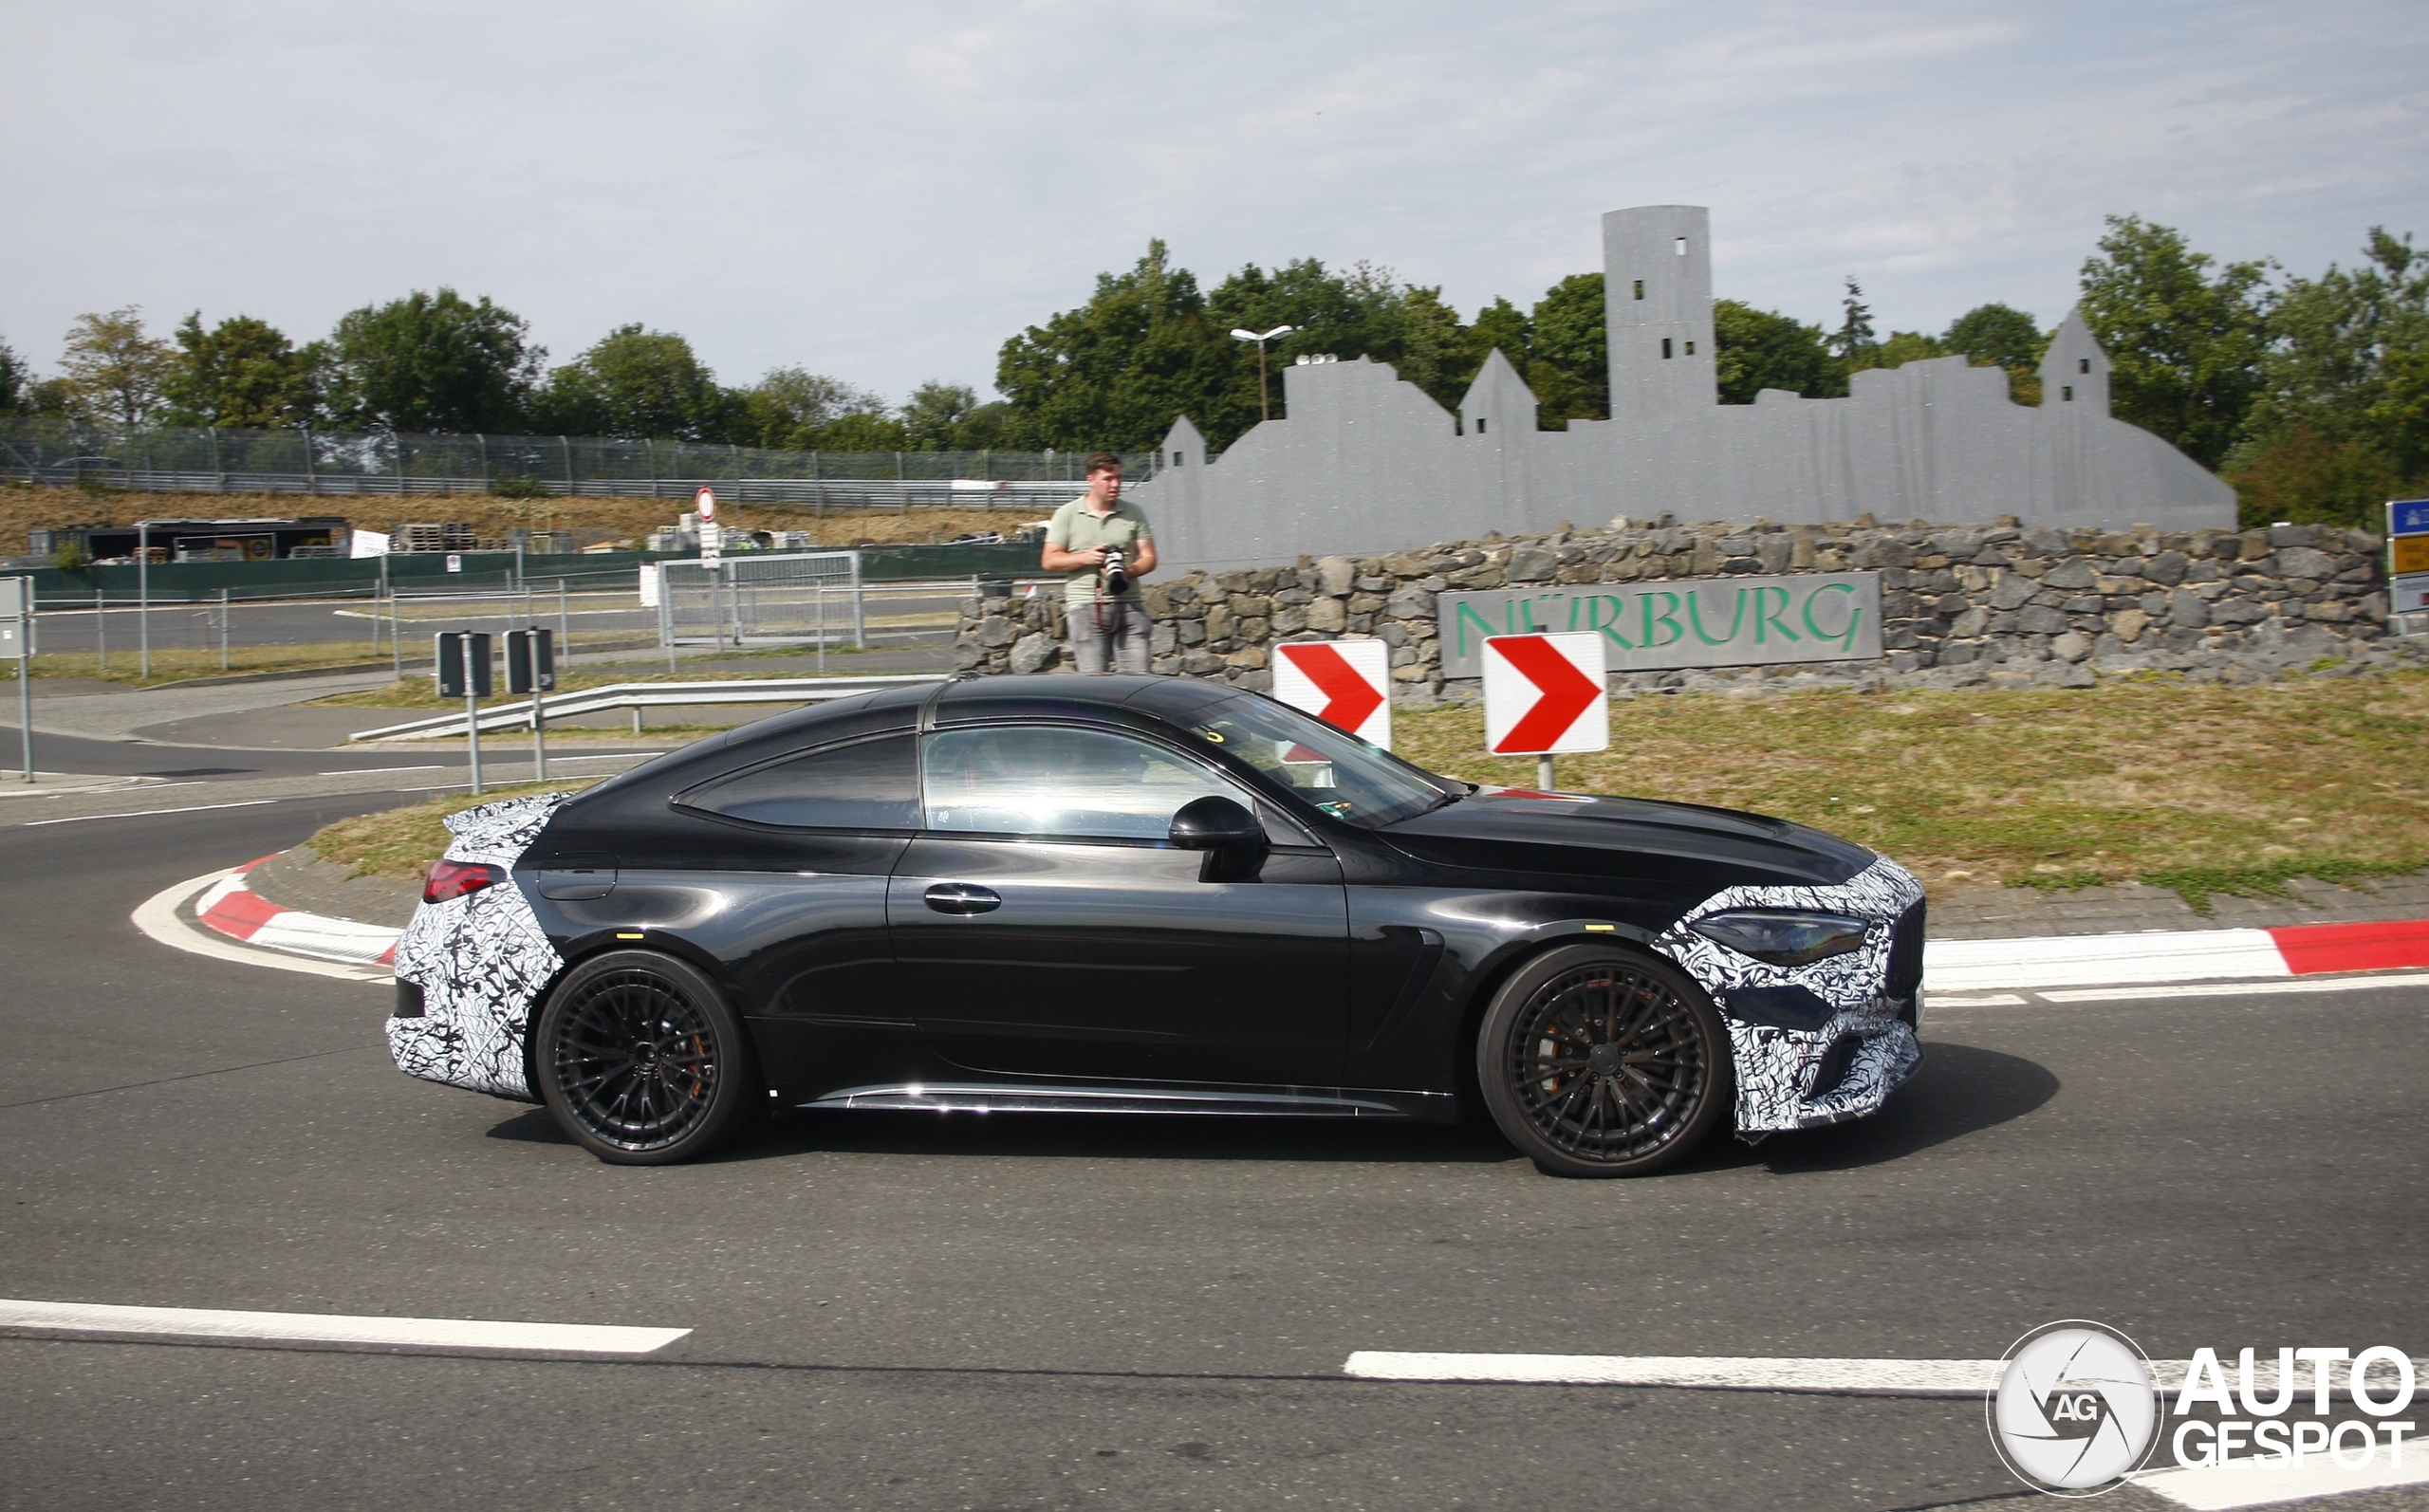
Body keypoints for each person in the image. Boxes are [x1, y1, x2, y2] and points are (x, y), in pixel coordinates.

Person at [1041, 452, 1158, 674]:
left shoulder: (1134, 512)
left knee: (1138, 683)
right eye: (1108, 479)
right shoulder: (1067, 514)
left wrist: (1126, 571)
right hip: (1086, 606)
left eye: (1119, 478)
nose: (1115, 484)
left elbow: (1149, 557)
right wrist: (1085, 557)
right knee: (1095, 682)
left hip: (1129, 604)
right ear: (1091, 479)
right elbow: (1049, 560)